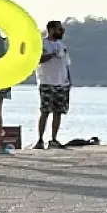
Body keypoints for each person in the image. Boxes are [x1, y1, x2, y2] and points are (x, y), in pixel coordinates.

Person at [35, 20, 72, 149]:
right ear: (51, 30)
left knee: (58, 111)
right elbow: (38, 60)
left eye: (62, 30)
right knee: (45, 111)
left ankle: (54, 139)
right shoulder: (41, 43)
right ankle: (39, 140)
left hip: (61, 83)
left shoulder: (62, 45)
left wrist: (69, 82)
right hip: (46, 82)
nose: (62, 32)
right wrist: (52, 55)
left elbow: (66, 65)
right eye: (59, 29)